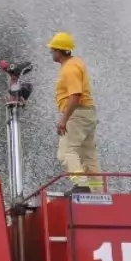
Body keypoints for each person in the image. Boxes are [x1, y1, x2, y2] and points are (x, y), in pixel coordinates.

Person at [49, 32, 103, 193]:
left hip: (76, 114)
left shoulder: (69, 69)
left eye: (52, 50)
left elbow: (75, 95)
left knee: (66, 152)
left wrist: (64, 119)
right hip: (88, 114)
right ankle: (97, 191)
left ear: (59, 50)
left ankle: (81, 184)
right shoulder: (77, 63)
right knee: (88, 156)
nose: (51, 52)